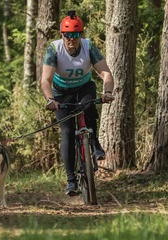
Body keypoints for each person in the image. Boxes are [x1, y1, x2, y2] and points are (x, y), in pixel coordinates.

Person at [41, 10, 115, 196]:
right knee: (66, 132)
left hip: (83, 88)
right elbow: (45, 81)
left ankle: (95, 144)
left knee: (88, 105)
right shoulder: (54, 49)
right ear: (62, 35)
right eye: (67, 36)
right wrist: (50, 99)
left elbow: (105, 73)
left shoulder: (89, 47)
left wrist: (107, 92)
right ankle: (71, 181)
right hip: (61, 93)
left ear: (80, 35)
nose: (71, 40)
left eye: (75, 35)